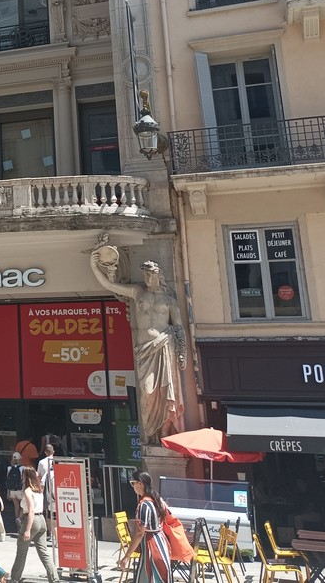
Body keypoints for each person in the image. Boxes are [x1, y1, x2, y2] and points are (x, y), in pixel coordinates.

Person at [90, 245, 186, 443]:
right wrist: (94, 265)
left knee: (166, 391)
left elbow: (178, 327)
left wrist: (182, 352)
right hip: (144, 351)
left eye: (151, 275)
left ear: (159, 275)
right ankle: (150, 431)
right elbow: (110, 286)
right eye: (145, 275)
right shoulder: (137, 292)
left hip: (164, 346)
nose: (148, 279)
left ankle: (165, 430)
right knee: (147, 392)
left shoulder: (169, 299)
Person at [10, 467, 60, 583]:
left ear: (25, 477)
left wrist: (27, 529)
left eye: (23, 475)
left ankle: (14, 578)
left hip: (31, 520)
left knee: (21, 552)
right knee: (43, 552)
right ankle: (54, 578)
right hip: (41, 519)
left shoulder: (27, 491)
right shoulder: (39, 490)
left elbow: (30, 510)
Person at [120, 471, 170, 583]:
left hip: (151, 546)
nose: (132, 487)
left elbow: (140, 533)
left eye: (133, 483)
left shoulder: (144, 505)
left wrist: (127, 556)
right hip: (161, 543)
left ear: (140, 484)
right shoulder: (157, 500)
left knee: (148, 577)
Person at [36, 444, 56, 540]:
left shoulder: (41, 462)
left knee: (48, 513)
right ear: (53, 452)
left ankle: (51, 533)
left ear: (45, 452)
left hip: (46, 489)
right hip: (57, 489)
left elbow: (39, 476)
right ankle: (57, 533)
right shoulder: (58, 461)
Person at [5, 452, 25, 530]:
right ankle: (19, 519)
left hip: (12, 490)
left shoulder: (9, 468)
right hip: (20, 490)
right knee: (23, 506)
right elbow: (23, 480)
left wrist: (8, 491)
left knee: (16, 506)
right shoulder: (22, 468)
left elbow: (7, 480)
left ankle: (17, 525)